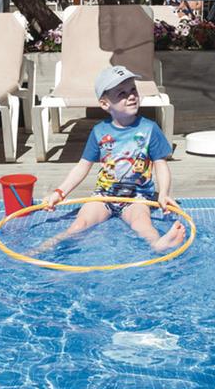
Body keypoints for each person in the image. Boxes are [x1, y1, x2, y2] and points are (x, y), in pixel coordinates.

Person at [40, 65, 186, 253]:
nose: (131, 96)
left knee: (141, 224)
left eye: (133, 90)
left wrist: (164, 193)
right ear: (105, 104)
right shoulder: (99, 131)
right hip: (104, 195)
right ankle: (47, 247)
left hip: (137, 197)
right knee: (80, 224)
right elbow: (82, 167)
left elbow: (161, 164)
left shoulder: (150, 129)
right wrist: (59, 193)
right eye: (122, 93)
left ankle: (159, 244)